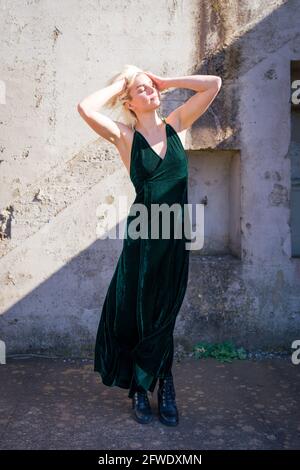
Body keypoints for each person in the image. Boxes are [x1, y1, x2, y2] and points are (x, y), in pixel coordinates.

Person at [77, 65, 222, 426]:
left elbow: (213, 85)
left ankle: (163, 381)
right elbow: (84, 108)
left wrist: (166, 80)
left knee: (165, 315)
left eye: (151, 88)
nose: (150, 92)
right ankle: (145, 388)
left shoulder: (175, 125)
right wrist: (121, 83)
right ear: (129, 101)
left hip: (174, 238)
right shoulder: (125, 136)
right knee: (142, 313)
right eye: (141, 90)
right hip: (143, 238)